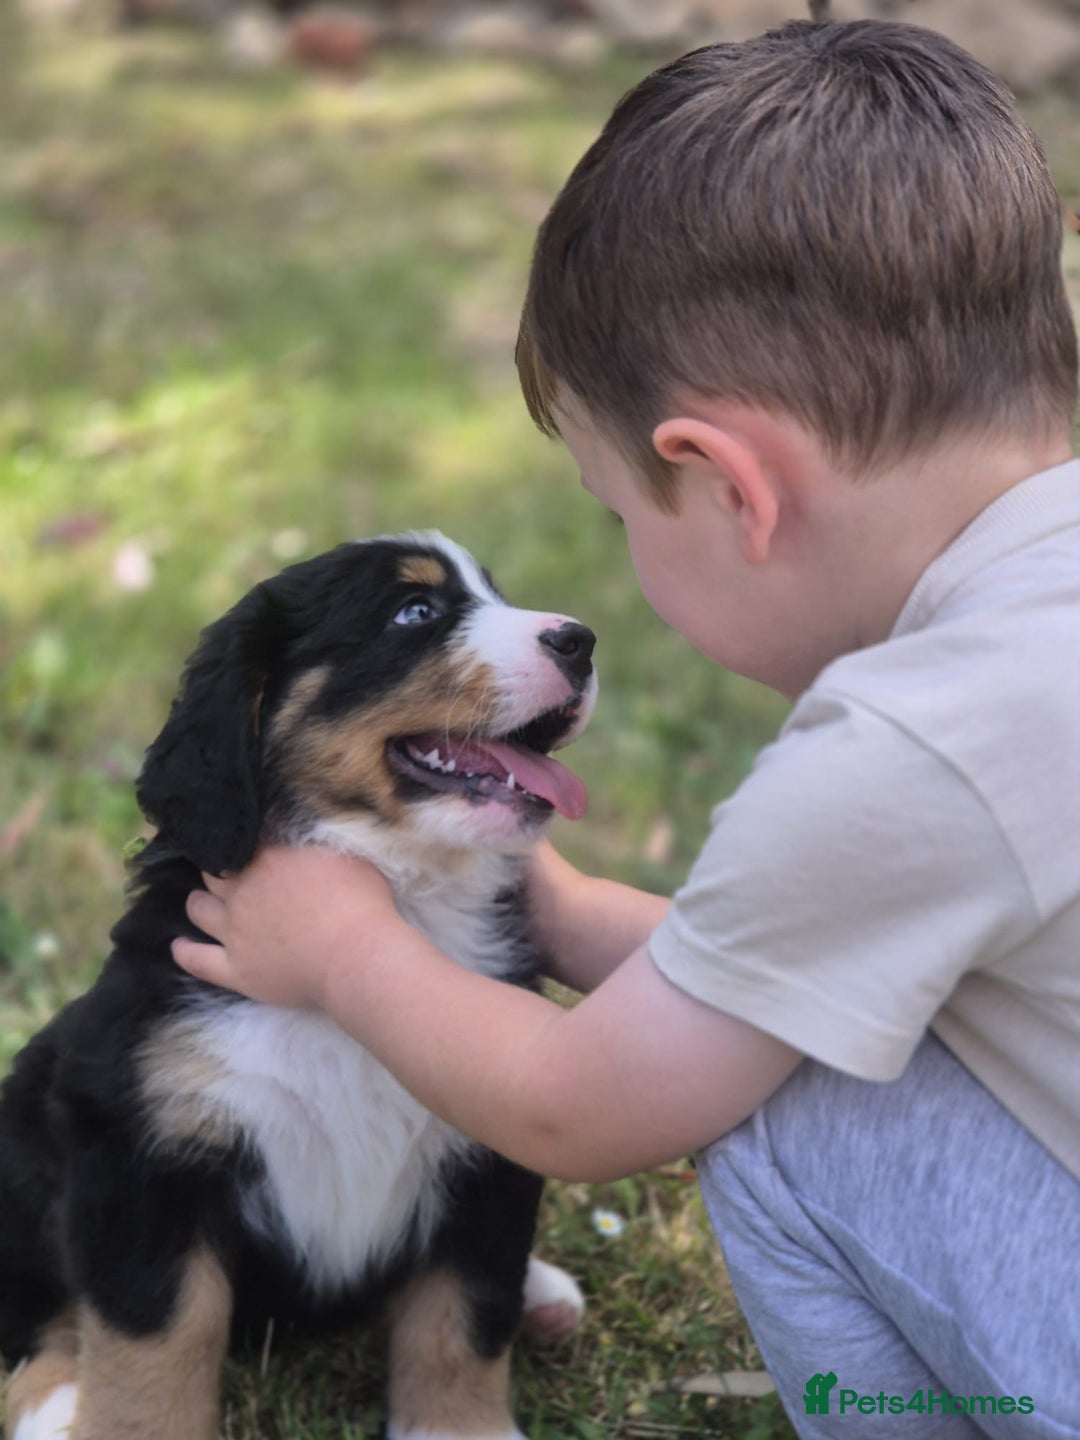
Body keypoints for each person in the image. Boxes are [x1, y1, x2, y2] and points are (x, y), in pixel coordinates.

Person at [172, 20, 1080, 1438]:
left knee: (784, 1096)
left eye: (616, 515)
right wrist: (571, 910)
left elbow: (577, 1106)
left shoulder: (910, 746)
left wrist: (344, 952)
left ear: (727, 486)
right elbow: (812, 962)